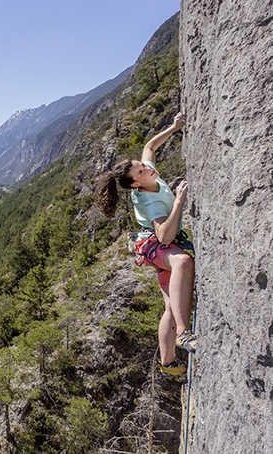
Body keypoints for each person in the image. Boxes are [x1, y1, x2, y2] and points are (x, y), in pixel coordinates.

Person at [96, 112, 196, 379]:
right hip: (153, 245)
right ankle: (184, 333)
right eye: (141, 170)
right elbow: (163, 236)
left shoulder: (150, 177)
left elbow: (150, 147)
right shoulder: (147, 200)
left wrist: (173, 128)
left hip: (154, 245)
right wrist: (177, 204)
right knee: (182, 261)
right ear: (136, 184)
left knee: (171, 305)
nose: (147, 167)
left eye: (143, 165)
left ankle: (168, 362)